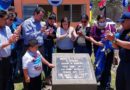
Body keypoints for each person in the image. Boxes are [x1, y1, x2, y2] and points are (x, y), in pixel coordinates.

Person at [90, 15, 116, 89]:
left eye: (103, 21)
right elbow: (91, 37)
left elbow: (114, 36)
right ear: (98, 21)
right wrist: (97, 43)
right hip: (98, 50)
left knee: (107, 67)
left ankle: (107, 85)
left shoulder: (110, 27)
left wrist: (110, 36)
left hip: (108, 51)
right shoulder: (94, 27)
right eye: (100, 21)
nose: (102, 22)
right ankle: (100, 83)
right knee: (99, 67)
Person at [106, 12, 130, 90]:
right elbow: (116, 46)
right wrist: (111, 39)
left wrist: (114, 40)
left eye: (123, 21)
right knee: (120, 85)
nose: (121, 23)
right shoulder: (123, 31)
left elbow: (129, 45)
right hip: (123, 63)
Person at [0, 10, 19, 90]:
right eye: (5, 19)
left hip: (8, 59)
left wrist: (15, 37)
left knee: (8, 79)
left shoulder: (7, 28)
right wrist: (9, 42)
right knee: (1, 81)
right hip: (1, 61)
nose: (6, 20)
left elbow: (11, 38)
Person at [43, 12, 57, 84]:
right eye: (50, 20)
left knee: (51, 60)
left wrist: (50, 34)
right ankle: (46, 76)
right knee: (45, 59)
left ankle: (49, 75)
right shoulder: (44, 25)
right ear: (48, 20)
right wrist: (45, 32)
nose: (51, 22)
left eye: (53, 20)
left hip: (51, 45)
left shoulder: (55, 27)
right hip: (44, 44)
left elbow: (55, 36)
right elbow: (42, 34)